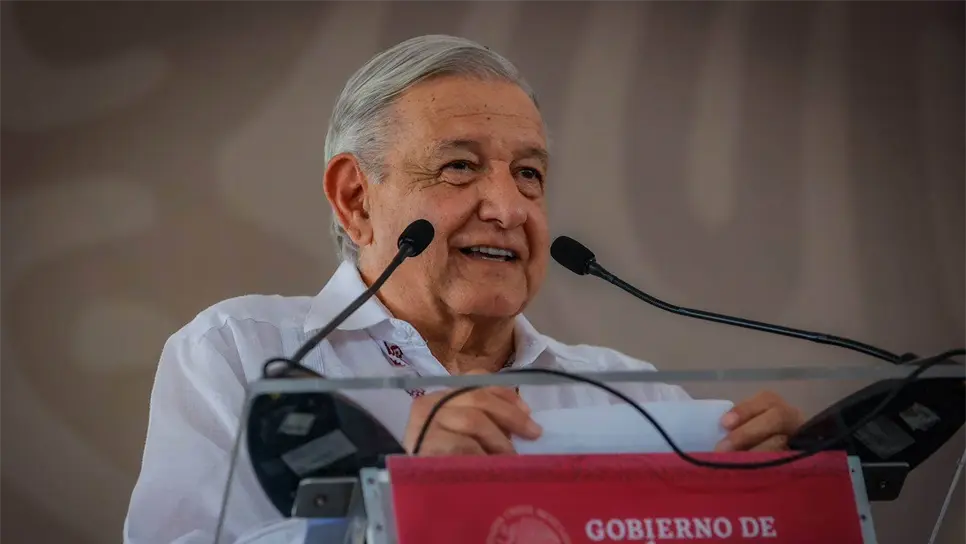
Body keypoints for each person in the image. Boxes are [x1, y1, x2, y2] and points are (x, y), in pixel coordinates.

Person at [123, 34, 804, 543]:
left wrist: (785, 500)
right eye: (459, 167)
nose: (509, 208)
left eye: (529, 174)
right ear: (356, 200)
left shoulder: (634, 395)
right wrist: (397, 506)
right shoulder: (241, 357)